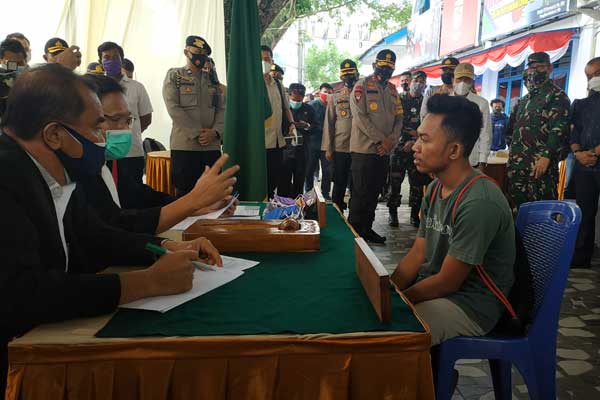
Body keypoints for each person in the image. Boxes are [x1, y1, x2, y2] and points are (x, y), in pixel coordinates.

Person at [0, 64, 227, 395]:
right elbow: (20, 294)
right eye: (96, 127)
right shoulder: (7, 177)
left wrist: (161, 248)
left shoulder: (52, 172)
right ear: (53, 134)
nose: (103, 138)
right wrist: (145, 282)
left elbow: (97, 236)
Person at [390, 94, 515, 346]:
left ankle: (426, 382)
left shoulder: (479, 201)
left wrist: (397, 302)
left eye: (424, 140)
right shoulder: (436, 188)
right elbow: (417, 254)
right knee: (379, 314)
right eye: (417, 138)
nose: (415, 147)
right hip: (441, 291)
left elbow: (447, 282)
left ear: (455, 150)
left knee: (392, 333)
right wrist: (389, 291)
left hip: (471, 304)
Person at [80, 73, 238, 234]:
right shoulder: (78, 173)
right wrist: (191, 203)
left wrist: (196, 207)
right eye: (115, 119)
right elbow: (112, 225)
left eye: (128, 120)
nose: (124, 129)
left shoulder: (109, 161)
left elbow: (139, 196)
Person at [348, 49, 403, 244]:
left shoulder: (393, 90)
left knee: (374, 192)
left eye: (390, 67)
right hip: (364, 150)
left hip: (384, 151)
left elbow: (399, 118)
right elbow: (360, 118)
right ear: (374, 65)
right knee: (360, 193)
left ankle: (367, 229)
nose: (386, 70)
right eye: (382, 66)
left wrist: (391, 141)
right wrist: (382, 140)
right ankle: (354, 233)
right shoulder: (361, 86)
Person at [506, 52, 570, 209]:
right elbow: (512, 128)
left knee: (541, 210)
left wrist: (546, 157)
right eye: (532, 67)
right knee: (517, 209)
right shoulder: (524, 100)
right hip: (517, 166)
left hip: (539, 167)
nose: (535, 71)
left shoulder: (557, 96)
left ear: (550, 68)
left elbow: (559, 129)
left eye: (540, 67)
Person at [163, 36, 225, 197]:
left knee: (212, 195)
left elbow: (223, 109)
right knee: (185, 193)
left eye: (204, 53)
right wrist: (197, 133)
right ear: (186, 52)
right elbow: (173, 107)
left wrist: (215, 132)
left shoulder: (213, 81)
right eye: (197, 52)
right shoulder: (175, 76)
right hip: (185, 146)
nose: (200, 56)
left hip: (211, 146)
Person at [99, 41, 153, 207]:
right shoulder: (96, 87)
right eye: (106, 57)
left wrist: (126, 133)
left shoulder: (136, 87)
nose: (111, 60)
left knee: (133, 197)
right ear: (100, 61)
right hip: (104, 153)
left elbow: (146, 118)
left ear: (122, 60)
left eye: (115, 57)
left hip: (132, 152)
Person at [387, 70, 430, 228]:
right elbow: (393, 123)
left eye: (422, 81)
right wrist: (406, 137)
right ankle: (393, 214)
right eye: (416, 80)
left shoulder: (426, 102)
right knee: (395, 183)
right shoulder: (400, 99)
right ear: (410, 81)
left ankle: (414, 215)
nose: (419, 83)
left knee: (417, 185)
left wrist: (414, 139)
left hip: (417, 149)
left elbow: (427, 125)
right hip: (398, 149)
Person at [569, 57, 600, 268]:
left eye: (596, 74)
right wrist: (579, 153)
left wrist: (595, 153)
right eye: (589, 76)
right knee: (584, 212)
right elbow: (573, 133)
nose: (593, 79)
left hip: (595, 160)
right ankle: (581, 258)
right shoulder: (580, 104)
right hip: (583, 166)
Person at [323, 59, 359, 211]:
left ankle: (355, 216)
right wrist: (328, 148)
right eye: (345, 75)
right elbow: (329, 123)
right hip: (340, 147)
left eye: (351, 74)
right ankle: (337, 213)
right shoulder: (335, 96)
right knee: (339, 183)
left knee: (357, 184)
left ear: (357, 74)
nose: (348, 78)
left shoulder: (363, 93)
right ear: (341, 76)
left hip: (360, 147)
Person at [261, 45, 294, 198]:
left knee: (274, 179)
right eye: (260, 59)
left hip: (277, 141)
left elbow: (286, 108)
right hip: (259, 143)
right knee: (260, 182)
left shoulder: (278, 85)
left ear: (272, 61)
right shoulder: (252, 84)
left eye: (266, 59)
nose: (263, 62)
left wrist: (292, 124)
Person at [280, 83, 319, 198]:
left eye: (300, 98)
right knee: (283, 183)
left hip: (302, 152)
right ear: (289, 95)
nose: (297, 101)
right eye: (294, 98)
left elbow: (316, 127)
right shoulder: (283, 110)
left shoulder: (309, 109)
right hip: (285, 152)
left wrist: (306, 125)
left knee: (299, 182)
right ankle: (281, 207)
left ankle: (297, 208)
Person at [451, 63, 491, 168]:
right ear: (453, 80)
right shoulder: (444, 101)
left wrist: (482, 161)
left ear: (472, 82)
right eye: (459, 79)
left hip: (470, 160)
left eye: (467, 79)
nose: (462, 83)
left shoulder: (481, 103)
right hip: (445, 158)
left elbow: (485, 133)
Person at [308, 83, 333, 198]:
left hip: (327, 144)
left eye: (329, 92)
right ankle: (308, 193)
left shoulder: (333, 106)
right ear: (319, 92)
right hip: (312, 143)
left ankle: (325, 194)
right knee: (309, 169)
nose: (327, 94)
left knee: (327, 171)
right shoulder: (312, 105)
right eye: (325, 92)